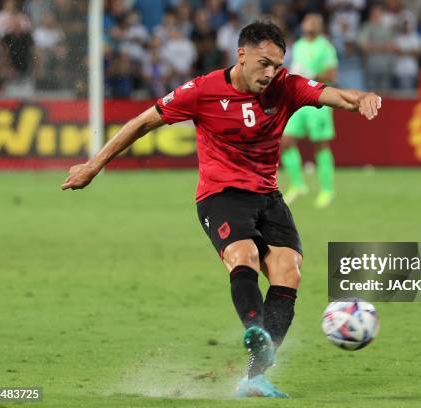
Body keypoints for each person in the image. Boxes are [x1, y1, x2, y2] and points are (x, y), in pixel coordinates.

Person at [61, 21, 381, 398]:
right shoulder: (201, 91)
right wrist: (93, 165)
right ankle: (254, 330)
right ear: (241, 55)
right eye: (264, 63)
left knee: (288, 271)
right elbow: (143, 122)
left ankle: (255, 377)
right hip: (221, 194)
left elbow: (338, 96)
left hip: (268, 195)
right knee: (242, 254)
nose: (270, 73)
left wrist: (362, 98)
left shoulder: (287, 86)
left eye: (277, 65)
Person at [281, 13, 339, 208]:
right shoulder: (297, 46)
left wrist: (311, 74)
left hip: (318, 100)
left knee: (320, 145)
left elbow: (331, 74)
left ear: (320, 26)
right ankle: (298, 185)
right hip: (298, 100)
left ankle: (327, 190)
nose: (309, 24)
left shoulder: (325, 47)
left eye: (314, 21)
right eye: (307, 21)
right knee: (285, 141)